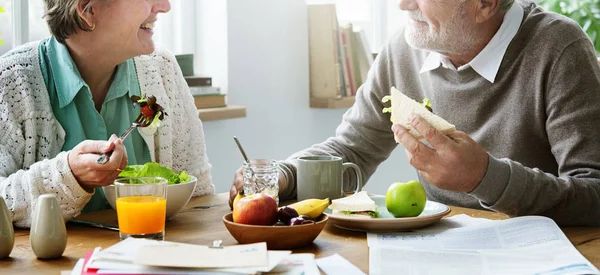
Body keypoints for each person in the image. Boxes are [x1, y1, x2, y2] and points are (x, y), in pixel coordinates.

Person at [230, 0, 600, 226]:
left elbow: (594, 194)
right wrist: (284, 174)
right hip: (436, 247)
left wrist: (484, 177)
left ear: (485, 3)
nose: (403, 4)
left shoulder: (559, 49)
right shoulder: (405, 47)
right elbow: (352, 149)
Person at [0, 0, 214, 228]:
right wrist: (69, 175)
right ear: (88, 10)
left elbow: (198, 199)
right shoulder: (11, 81)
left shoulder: (162, 69)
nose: (164, 6)